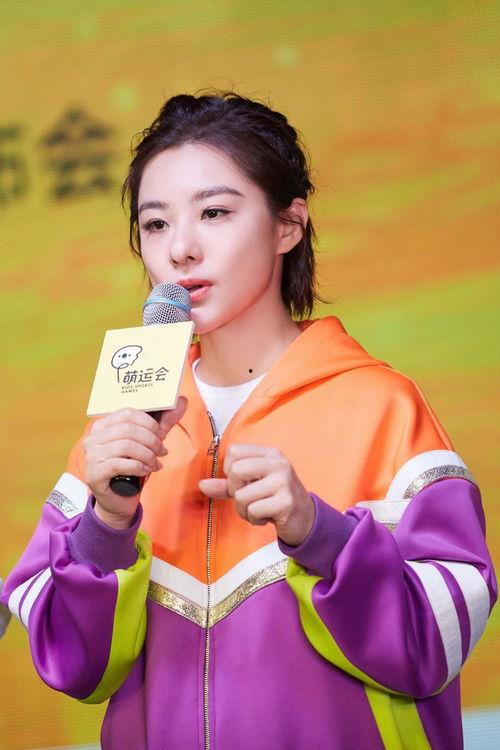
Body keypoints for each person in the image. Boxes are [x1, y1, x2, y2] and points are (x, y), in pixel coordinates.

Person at [1, 91, 496, 750]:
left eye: (214, 212)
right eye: (155, 224)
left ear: (288, 224)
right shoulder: (120, 429)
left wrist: (316, 531)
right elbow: (73, 666)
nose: (181, 249)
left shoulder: (381, 407)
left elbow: (436, 642)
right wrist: (106, 524)